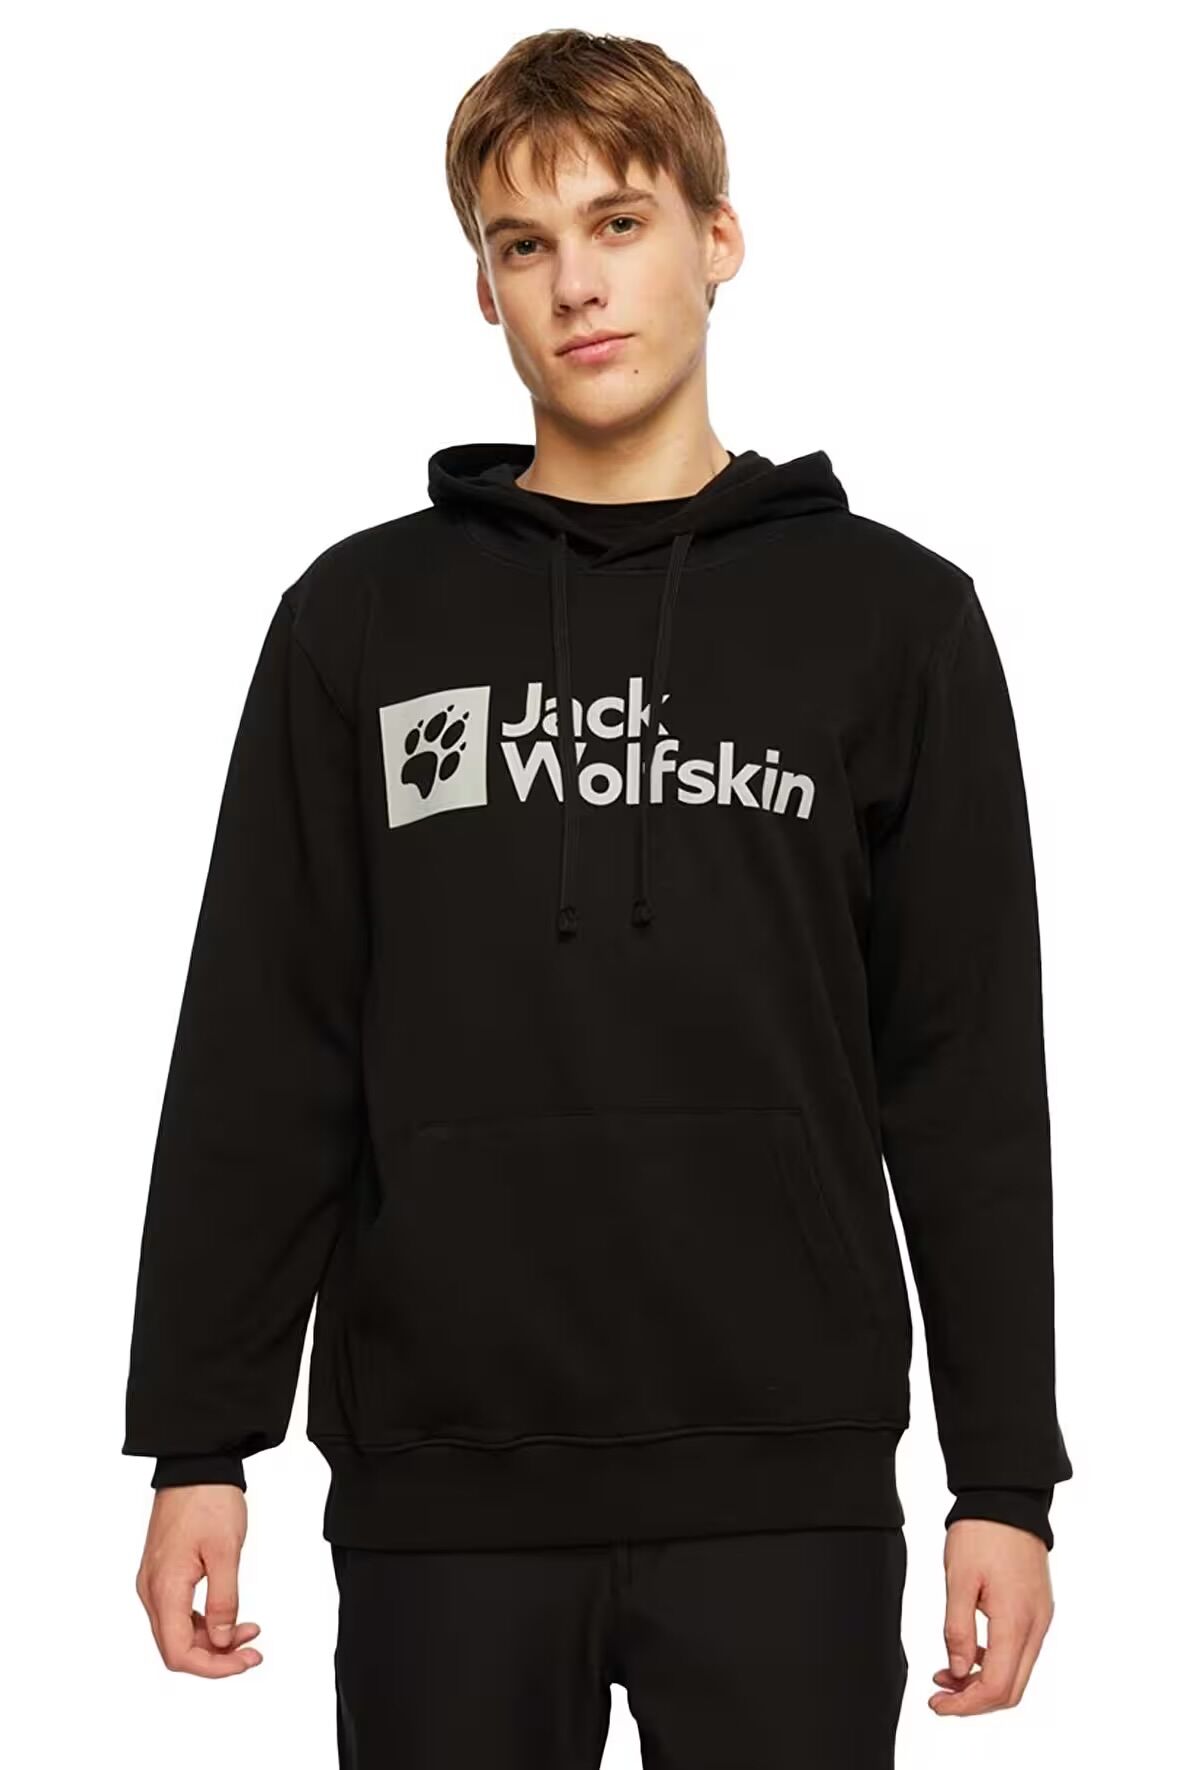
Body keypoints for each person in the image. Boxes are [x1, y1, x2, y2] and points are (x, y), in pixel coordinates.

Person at [123, 27, 1073, 1768]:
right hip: (442, 1488)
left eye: (619, 222)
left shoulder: (896, 623)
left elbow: (966, 1081)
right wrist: (202, 1437)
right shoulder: (360, 623)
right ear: (482, 287)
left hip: (785, 1481)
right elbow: (268, 1039)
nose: (576, 283)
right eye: (523, 242)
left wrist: (1004, 1478)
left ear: (719, 237)